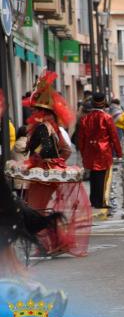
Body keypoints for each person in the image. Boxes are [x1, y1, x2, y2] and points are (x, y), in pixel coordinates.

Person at [22, 71, 91, 257]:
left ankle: (46, 245)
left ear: (42, 110)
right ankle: (55, 243)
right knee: (41, 211)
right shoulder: (52, 126)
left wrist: (38, 159)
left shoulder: (43, 127)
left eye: (35, 109)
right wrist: (57, 163)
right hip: (46, 173)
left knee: (36, 211)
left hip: (43, 175)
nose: (33, 112)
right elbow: (65, 150)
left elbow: (44, 150)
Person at [78, 93, 123, 209]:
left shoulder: (85, 118)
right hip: (103, 151)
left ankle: (94, 200)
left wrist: (83, 152)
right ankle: (101, 201)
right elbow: (114, 136)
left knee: (93, 176)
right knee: (103, 177)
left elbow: (81, 138)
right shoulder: (107, 118)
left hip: (89, 150)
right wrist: (119, 152)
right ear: (104, 103)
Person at [11, 126, 29, 199]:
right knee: (25, 197)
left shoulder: (15, 144)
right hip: (26, 175)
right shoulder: (28, 145)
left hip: (17, 175)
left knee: (20, 197)